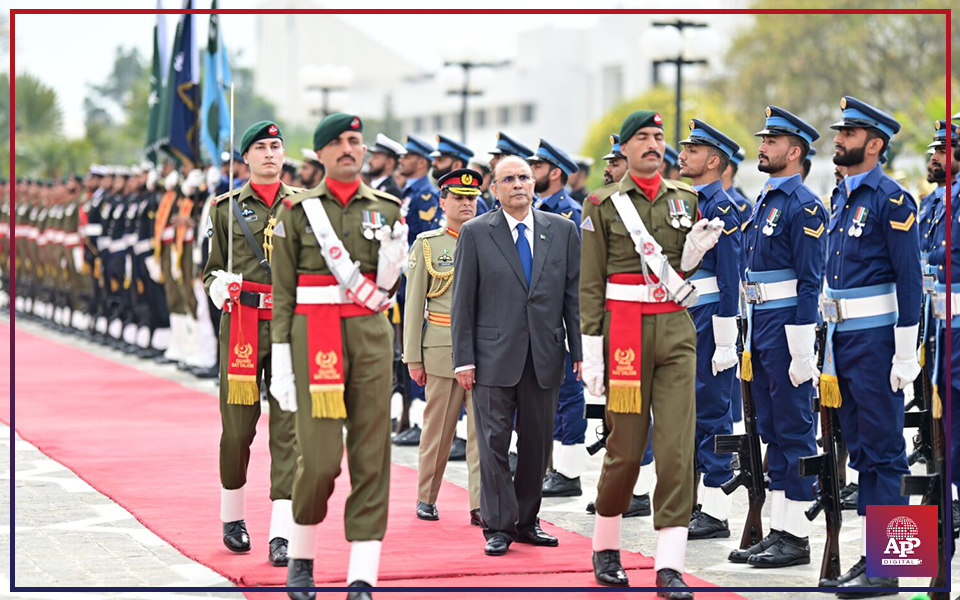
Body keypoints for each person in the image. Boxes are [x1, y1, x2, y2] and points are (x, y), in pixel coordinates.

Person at [582, 109, 721, 596]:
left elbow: (676, 270)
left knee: (677, 451)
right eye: (643, 136)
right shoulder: (600, 204)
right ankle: (605, 546)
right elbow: (590, 286)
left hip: (676, 332)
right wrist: (592, 354)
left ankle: (670, 565)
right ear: (623, 147)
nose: (654, 143)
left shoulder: (685, 197)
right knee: (625, 450)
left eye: (659, 136)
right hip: (623, 336)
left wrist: (691, 258)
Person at [269, 113, 407, 600]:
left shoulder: (389, 210)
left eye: (356, 141)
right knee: (322, 459)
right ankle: (302, 556)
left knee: (373, 456)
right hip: (315, 342)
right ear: (321, 153)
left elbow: (387, 290)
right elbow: (283, 294)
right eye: (340, 143)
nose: (350, 149)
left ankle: (362, 574)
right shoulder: (297, 211)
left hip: (370, 341)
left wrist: (394, 264)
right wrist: (281, 361)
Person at [450, 155, 582, 557]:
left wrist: (579, 350)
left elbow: (572, 297)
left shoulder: (562, 231)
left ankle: (527, 521)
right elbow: (462, 302)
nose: (518, 184)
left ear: (534, 183)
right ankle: (498, 525)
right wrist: (463, 359)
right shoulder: (475, 233)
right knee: (493, 443)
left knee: (538, 445)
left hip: (544, 354)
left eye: (524, 177)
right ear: (495, 189)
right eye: (508, 179)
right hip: (492, 357)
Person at [818, 97, 920, 596]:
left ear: (874, 144)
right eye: (839, 132)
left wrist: (906, 352)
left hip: (879, 342)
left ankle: (894, 563)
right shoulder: (841, 196)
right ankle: (872, 556)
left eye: (849, 133)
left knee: (886, 454)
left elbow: (909, 279)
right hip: (843, 341)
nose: (838, 139)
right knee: (860, 452)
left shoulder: (892, 199)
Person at [202, 121, 300, 567]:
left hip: (289, 326)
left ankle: (282, 531)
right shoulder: (224, 208)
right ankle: (233, 514)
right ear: (246, 158)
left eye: (275, 146)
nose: (269, 153)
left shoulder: (304, 207)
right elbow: (211, 268)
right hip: (241, 324)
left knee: (288, 432)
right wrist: (217, 287)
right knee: (238, 428)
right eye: (260, 147)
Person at [733, 106, 825, 570]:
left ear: (794, 151)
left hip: (788, 323)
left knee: (794, 433)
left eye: (771, 141)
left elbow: (809, 281)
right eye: (762, 139)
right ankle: (781, 529)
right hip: (761, 324)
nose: (761, 146)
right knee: (771, 433)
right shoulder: (765, 200)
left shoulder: (804, 205)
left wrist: (801, 345)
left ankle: (799, 535)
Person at [403, 168, 484, 525]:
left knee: (483, 435)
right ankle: (426, 496)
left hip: (484, 349)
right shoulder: (428, 244)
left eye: (471, 198)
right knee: (438, 430)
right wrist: (412, 357)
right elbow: (413, 305)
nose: (466, 204)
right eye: (458, 198)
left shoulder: (491, 237)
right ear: (443, 201)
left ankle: (482, 504)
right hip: (441, 348)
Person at [677, 120, 743, 541]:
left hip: (712, 312)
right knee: (693, 410)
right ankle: (701, 502)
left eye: (693, 150)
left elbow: (730, 275)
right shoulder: (686, 203)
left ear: (714, 161)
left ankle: (717, 509)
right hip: (687, 314)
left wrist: (725, 336)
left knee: (715, 410)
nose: (682, 155)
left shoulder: (723, 207)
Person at [526, 139, 588, 498]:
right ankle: (546, 463)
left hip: (561, 315)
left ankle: (568, 470)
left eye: (537, 168)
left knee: (567, 391)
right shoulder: (533, 210)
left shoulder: (570, 214)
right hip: (536, 314)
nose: (530, 175)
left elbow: (576, 274)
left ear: (554, 173)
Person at [431, 134, 488, 215]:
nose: (433, 163)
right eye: (458, 198)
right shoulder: (437, 195)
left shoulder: (476, 204)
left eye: (440, 160)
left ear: (457, 165)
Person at [368, 133, 405, 198]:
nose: (370, 161)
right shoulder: (372, 185)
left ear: (389, 163)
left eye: (376, 157)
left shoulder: (392, 191)